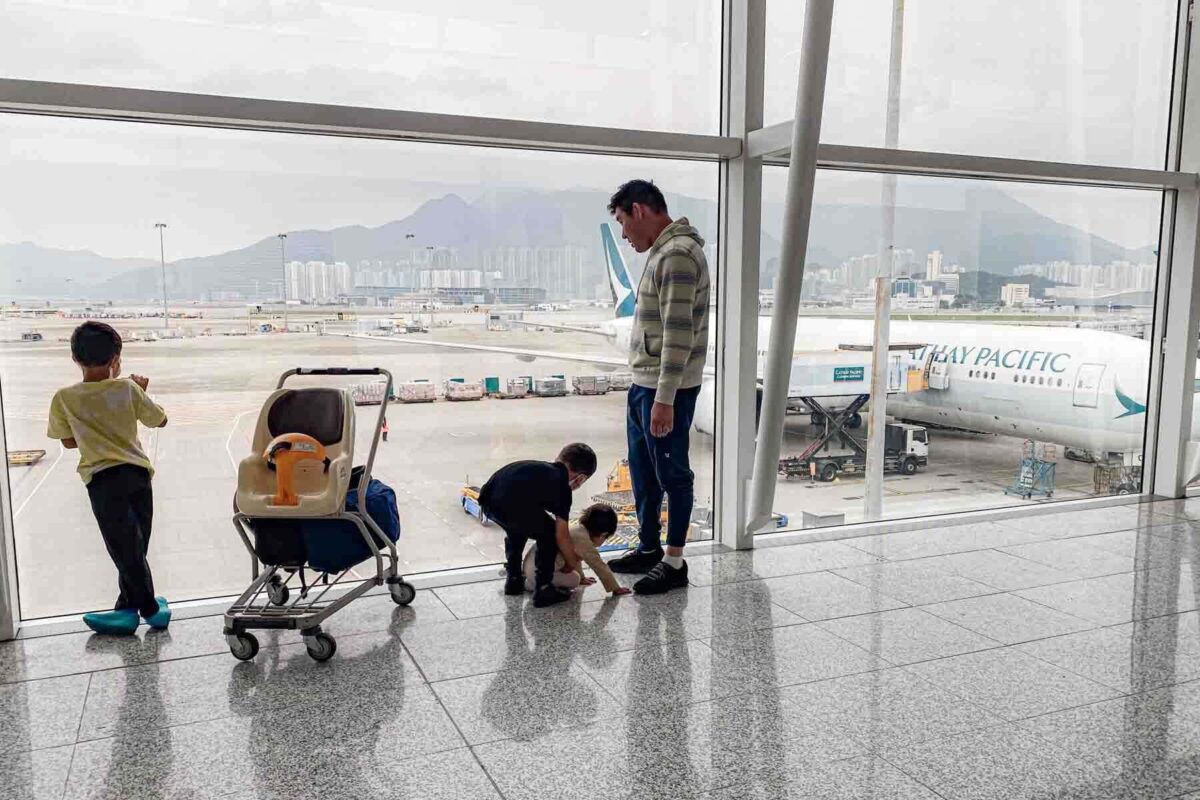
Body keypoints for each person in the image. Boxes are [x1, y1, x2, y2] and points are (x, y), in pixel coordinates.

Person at [605, 180, 710, 595]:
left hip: (667, 391)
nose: (625, 234)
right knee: (644, 473)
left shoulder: (679, 256)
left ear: (639, 210)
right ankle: (649, 548)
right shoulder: (662, 253)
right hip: (643, 385)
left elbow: (678, 334)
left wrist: (664, 399)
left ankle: (674, 562)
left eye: (623, 224)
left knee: (673, 475)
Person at [46, 321, 172, 635]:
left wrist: (93, 431)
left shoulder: (64, 398)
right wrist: (138, 394)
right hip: (138, 475)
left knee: (124, 547)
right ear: (116, 357)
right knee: (135, 546)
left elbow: (67, 441)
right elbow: (161, 419)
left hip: (103, 480)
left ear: (75, 358)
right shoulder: (128, 388)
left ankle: (146, 610)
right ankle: (131, 608)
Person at [479, 443, 597, 608]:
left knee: (517, 530)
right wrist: (571, 564)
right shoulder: (563, 487)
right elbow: (562, 535)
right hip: (511, 504)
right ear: (581, 478)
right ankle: (543, 588)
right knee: (549, 533)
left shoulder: (540, 469)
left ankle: (513, 579)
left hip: (488, 501)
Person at [522, 503, 632, 597]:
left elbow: (575, 558)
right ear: (603, 534)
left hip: (531, 567)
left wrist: (583, 578)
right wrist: (615, 588)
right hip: (539, 573)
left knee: (576, 576)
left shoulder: (577, 530)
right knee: (574, 579)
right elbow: (598, 565)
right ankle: (531, 584)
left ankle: (530, 580)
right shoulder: (584, 542)